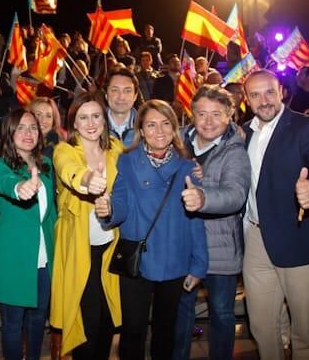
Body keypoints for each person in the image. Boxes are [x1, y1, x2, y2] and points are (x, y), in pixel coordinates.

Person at [242, 70, 309, 359]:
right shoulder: (242, 132)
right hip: (256, 239)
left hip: (298, 237)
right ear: (246, 100)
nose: (264, 100)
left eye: (269, 92)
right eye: (256, 95)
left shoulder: (308, 127)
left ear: (281, 92)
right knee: (261, 326)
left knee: (306, 330)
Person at [107, 99, 208, 359]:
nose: (159, 131)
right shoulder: (127, 163)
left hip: (175, 259)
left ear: (174, 129)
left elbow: (196, 220)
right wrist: (108, 210)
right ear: (140, 130)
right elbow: (120, 202)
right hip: (137, 260)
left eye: (165, 124)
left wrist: (198, 265)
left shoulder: (187, 167)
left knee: (166, 331)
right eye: (151, 125)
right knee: (132, 331)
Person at [172, 85, 252, 360]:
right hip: (182, 245)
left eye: (216, 114)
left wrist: (202, 194)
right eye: (202, 113)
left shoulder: (235, 151)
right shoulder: (176, 142)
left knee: (221, 312)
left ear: (229, 115)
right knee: (181, 313)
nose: (208, 121)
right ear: (191, 114)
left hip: (220, 247)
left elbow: (236, 194)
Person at [50, 91, 123, 359]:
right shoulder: (64, 150)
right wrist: (86, 180)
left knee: (108, 317)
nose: (90, 123)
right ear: (74, 123)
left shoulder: (116, 148)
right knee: (85, 319)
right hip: (79, 248)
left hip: (110, 246)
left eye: (95, 116)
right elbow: (68, 170)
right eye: (83, 117)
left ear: (104, 120)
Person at [0, 108, 57, 360]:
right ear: (9, 133)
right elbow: (2, 180)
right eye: (21, 128)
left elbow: (52, 213)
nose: (28, 133)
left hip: (44, 257)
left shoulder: (46, 165)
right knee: (13, 324)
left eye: (33, 127)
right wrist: (19, 187)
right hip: (13, 257)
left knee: (38, 321)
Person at [105, 67, 139, 146]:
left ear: (135, 96)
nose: (121, 97)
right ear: (106, 95)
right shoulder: (94, 127)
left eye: (127, 91)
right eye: (115, 90)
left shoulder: (145, 127)